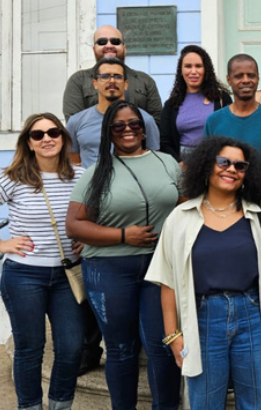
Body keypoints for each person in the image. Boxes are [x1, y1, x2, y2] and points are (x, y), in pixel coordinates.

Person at [146, 136, 261, 409]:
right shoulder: (180, 217)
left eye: (240, 166)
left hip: (252, 315)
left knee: (258, 403)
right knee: (204, 403)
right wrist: (173, 334)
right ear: (206, 165)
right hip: (203, 317)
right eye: (223, 162)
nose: (231, 169)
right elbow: (166, 280)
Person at [0, 113, 84, 410]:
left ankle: (60, 406)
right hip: (25, 276)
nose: (47, 139)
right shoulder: (15, 178)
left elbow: (96, 212)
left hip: (68, 276)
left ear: (63, 138)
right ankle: (29, 406)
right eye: (37, 135)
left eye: (53, 132)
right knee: (30, 349)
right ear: (28, 143)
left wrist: (89, 237)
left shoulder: (80, 175)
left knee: (72, 347)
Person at [65, 100, 182, 410]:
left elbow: (186, 209)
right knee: (120, 349)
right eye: (119, 126)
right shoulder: (97, 172)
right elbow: (74, 225)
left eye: (134, 124)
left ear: (144, 129)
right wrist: (122, 235)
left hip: (160, 267)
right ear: (109, 133)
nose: (128, 129)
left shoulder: (167, 163)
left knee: (161, 345)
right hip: (109, 268)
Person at [204, 54, 261, 223]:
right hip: (223, 208)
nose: (246, 80)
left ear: (258, 78)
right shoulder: (214, 121)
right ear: (229, 79)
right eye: (238, 76)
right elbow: (206, 168)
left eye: (251, 75)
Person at [67, 57, 160, 169]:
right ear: (95, 83)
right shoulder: (76, 121)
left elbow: (154, 159)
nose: (112, 81)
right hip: (92, 184)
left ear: (126, 84)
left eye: (117, 76)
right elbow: (74, 161)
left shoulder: (144, 120)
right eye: (105, 76)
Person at [63, 25, 163, 124]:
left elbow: (156, 121)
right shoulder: (78, 80)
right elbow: (75, 123)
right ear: (94, 49)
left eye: (115, 41)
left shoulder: (144, 81)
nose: (109, 46)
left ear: (124, 48)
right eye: (102, 42)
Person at [159, 45, 232, 163]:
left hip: (215, 161)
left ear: (206, 70)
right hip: (182, 164)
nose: (193, 71)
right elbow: (164, 141)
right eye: (188, 66)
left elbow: (230, 133)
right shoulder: (171, 104)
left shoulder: (222, 99)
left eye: (198, 66)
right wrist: (179, 163)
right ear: (181, 71)